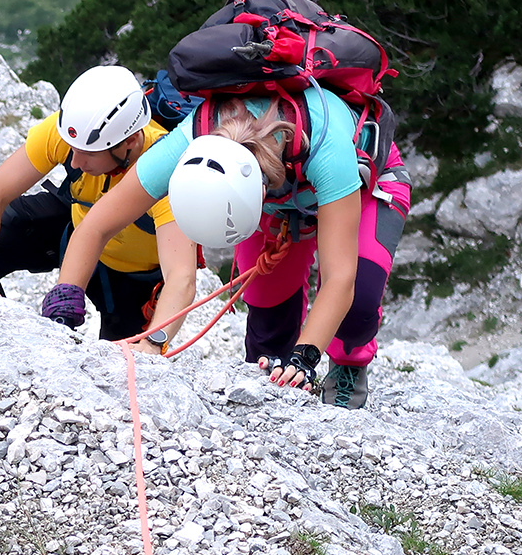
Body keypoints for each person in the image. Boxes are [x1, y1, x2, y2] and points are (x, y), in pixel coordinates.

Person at [47, 87, 411, 409]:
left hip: (366, 187)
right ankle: (272, 375)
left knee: (359, 294)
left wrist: (304, 358)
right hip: (281, 203)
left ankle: (349, 367)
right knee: (267, 311)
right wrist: (67, 294)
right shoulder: (186, 141)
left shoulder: (328, 151)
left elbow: (338, 279)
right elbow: (97, 225)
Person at [0, 65, 200, 344]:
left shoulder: (168, 173)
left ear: (130, 141)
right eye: (72, 149)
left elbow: (181, 278)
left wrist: (153, 343)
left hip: (132, 279)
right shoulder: (75, 133)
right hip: (72, 228)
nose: (74, 162)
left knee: (123, 362)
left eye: (87, 154)